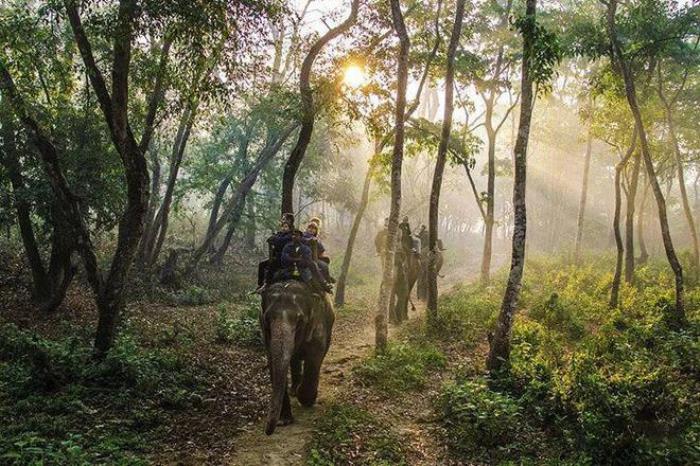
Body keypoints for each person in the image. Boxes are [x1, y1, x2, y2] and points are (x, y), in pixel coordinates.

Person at [281, 229, 332, 293]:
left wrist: (292, 259)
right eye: (293, 235)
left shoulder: (306, 249)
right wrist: (297, 259)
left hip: (302, 271)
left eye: (297, 235)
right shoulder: (287, 246)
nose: (294, 237)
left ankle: (324, 287)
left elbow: (306, 261)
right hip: (289, 270)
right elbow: (284, 258)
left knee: (315, 286)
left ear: (300, 237)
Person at [255, 213, 295, 293]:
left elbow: (279, 241)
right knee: (262, 264)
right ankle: (260, 284)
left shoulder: (292, 234)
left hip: (285, 259)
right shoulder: (281, 233)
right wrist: (275, 238)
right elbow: (271, 239)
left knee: (272, 265)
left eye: (284, 219)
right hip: (277, 257)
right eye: (282, 219)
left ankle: (266, 284)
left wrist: (275, 239)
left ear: (289, 221)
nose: (282, 221)